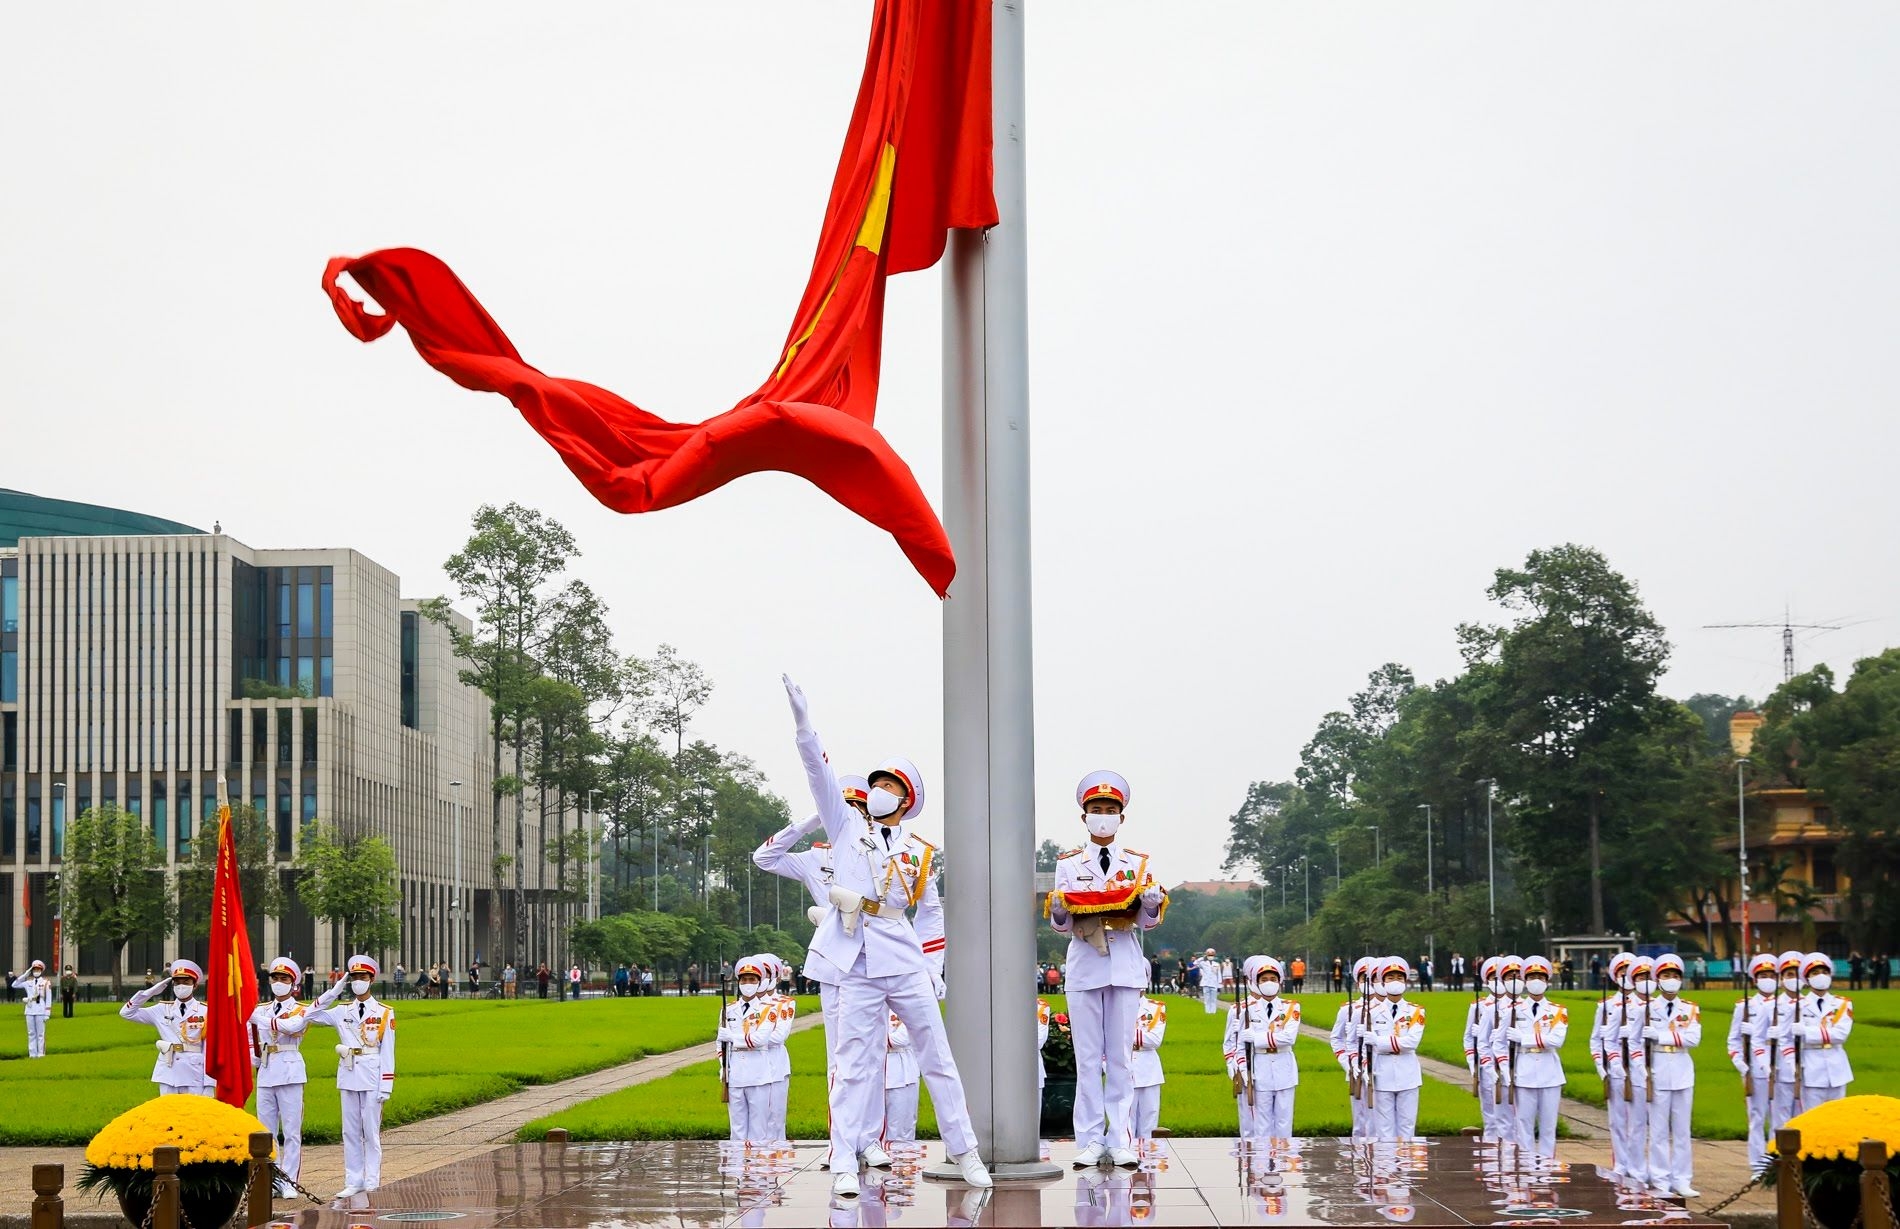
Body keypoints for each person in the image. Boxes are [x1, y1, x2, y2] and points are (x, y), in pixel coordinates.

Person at [781, 675, 991, 1196]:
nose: (876, 791)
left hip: (902, 957)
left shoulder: (921, 851)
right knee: (853, 1064)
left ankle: (964, 1152)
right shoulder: (846, 826)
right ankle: (848, 1159)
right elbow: (817, 773)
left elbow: (931, 915)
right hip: (856, 961)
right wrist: (805, 726)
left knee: (937, 1058)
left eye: (888, 786)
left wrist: (935, 970)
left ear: (905, 800)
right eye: (876, 783)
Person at [753, 773, 880, 1169]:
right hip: (836, 962)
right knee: (840, 1057)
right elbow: (764, 858)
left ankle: (871, 1140)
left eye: (859, 810)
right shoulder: (816, 858)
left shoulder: (883, 849)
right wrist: (807, 823)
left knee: (874, 1054)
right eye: (844, 810)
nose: (852, 818)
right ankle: (840, 1141)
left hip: (878, 959)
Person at [1047, 769, 1168, 1168]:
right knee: (1086, 1057)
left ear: (1121, 816)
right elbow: (1061, 922)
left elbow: (1146, 921)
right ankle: (1088, 1139)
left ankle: (1119, 1138)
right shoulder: (1068, 862)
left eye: (1110, 809)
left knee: (1119, 1058)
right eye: (1096, 809)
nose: (1104, 815)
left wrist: (1150, 902)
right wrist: (1060, 912)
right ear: (1084, 817)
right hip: (1085, 960)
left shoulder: (1136, 863)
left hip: (1124, 962)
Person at [309, 955, 398, 1199]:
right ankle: (353, 1179)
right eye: (355, 977)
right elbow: (309, 1015)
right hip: (348, 1073)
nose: (359, 981)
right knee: (349, 1131)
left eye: (363, 977)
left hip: (371, 1075)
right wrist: (332, 992)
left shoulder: (383, 1012)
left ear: (372, 979)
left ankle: (371, 1180)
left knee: (370, 1131)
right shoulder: (340, 1011)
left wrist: (386, 1085)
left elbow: (388, 1051)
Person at [1626, 953, 1699, 1198]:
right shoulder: (1646, 1008)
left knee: (1681, 1129)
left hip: (1681, 1070)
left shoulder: (1689, 1008)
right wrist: (1641, 1068)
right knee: (1657, 1130)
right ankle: (1659, 1179)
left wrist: (1661, 1036)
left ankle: (1682, 1179)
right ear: (1658, 980)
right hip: (1655, 1070)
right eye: (1666, 976)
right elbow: (1634, 1043)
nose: (1671, 980)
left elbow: (1693, 1038)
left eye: (1675, 976)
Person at [252, 956, 312, 1197]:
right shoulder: (261, 1009)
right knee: (266, 1131)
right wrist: (251, 1060)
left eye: (284, 978)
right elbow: (251, 1040)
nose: (278, 982)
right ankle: (272, 1179)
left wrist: (256, 1018)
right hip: (266, 1071)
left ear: (293, 983)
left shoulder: (301, 1010)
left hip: (289, 1070)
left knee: (291, 1130)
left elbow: (291, 1029)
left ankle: (288, 1181)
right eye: (275, 978)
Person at [1496, 955, 1566, 1157]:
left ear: (1547, 982)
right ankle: (1526, 1170)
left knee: (1548, 1127)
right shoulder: (1512, 1010)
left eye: (1541, 977)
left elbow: (1556, 1040)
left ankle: (1545, 1169)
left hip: (1550, 1073)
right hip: (1523, 1071)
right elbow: (1498, 1044)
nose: (1537, 981)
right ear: (1525, 981)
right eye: (1532, 976)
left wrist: (1524, 1038)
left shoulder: (1558, 1011)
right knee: (1523, 1126)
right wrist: (1505, 1069)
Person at [718, 956, 792, 1143]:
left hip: (760, 1072)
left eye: (752, 980)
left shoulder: (770, 1008)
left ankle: (759, 1170)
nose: (747, 984)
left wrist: (734, 1039)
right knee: (737, 1129)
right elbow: (720, 1042)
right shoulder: (729, 1009)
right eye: (744, 980)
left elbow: (761, 1039)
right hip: (735, 1073)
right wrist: (723, 1068)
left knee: (763, 1127)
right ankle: (738, 1170)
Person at [1225, 956, 1299, 1139]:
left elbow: (1288, 1037)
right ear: (1256, 983)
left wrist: (1257, 1038)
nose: (1269, 983)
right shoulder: (1246, 1009)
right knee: (1261, 1124)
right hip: (1259, 1067)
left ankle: (1283, 1163)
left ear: (1280, 982)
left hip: (1284, 1067)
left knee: (1284, 1122)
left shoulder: (1291, 1007)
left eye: (1273, 979)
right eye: (1264, 980)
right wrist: (1240, 1067)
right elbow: (1236, 1044)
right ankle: (1262, 1164)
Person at [121, 959, 215, 1095]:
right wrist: (149, 993)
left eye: (186, 982)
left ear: (195, 985)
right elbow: (126, 1013)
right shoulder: (162, 1009)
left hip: (195, 1073)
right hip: (168, 1071)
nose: (181, 986)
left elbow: (210, 1048)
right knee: (167, 1113)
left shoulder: (205, 1011)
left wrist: (209, 1084)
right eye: (177, 983)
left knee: (193, 1115)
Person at [1727, 953, 1779, 1175]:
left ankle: (1777, 1162)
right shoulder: (1744, 1006)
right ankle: (1758, 1165)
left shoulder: (1786, 1003)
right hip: (1754, 1068)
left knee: (1780, 1117)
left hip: (1780, 1065)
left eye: (1771, 975)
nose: (1767, 979)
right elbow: (1733, 1040)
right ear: (1754, 980)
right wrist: (1741, 1064)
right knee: (1757, 1117)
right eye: (1762, 975)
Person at [1367, 958, 1425, 1140]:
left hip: (1408, 1073)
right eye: (1390, 977)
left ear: (1405, 981)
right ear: (1383, 982)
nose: (1395, 982)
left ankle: (1404, 1168)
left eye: (1399, 978)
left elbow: (1412, 1042)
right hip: (1382, 1072)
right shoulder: (1371, 1011)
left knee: (1407, 1127)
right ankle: (1386, 1167)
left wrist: (1378, 1041)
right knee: (1384, 1129)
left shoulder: (1416, 1011)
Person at [1797, 951, 1853, 1107]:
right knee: (1811, 1117)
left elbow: (1841, 1035)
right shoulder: (1797, 1004)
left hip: (1837, 1069)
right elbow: (1796, 1038)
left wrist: (1808, 1032)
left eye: (1824, 972)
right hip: (1811, 1068)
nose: (1820, 976)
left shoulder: (1842, 1004)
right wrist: (1825, 1035)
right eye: (1815, 973)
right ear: (1807, 979)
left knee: (1837, 1117)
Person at [1330, 957, 1373, 1139]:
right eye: (1365, 979)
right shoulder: (1348, 1009)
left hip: (1381, 1069)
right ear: (1358, 983)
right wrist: (1348, 1064)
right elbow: (1336, 1038)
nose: (1370, 984)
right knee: (1360, 1120)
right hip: (1356, 1069)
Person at [1465, 956, 1499, 1141]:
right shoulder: (1479, 1006)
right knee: (1490, 1114)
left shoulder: (1520, 1006)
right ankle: (1491, 1154)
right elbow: (1468, 1037)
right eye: (1494, 978)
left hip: (1513, 1064)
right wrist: (1472, 1062)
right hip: (1486, 1064)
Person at [1131, 994, 1166, 1141]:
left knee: (1149, 1121)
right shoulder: (1112, 1005)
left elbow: (1155, 1040)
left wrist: (1123, 1034)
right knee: (1124, 1122)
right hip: (1122, 1066)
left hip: (1149, 1069)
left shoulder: (1156, 1007)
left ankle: (1148, 1160)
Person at [884, 1010, 920, 1144]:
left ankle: (901, 1159)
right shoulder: (869, 1003)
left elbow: (902, 1039)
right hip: (875, 1069)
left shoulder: (907, 1005)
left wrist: (873, 1036)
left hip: (904, 1072)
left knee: (902, 1127)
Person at [12, 959, 52, 1057]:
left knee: (40, 1034)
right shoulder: (28, 982)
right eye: (34, 970)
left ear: (41, 970)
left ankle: (41, 1054)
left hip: (40, 1010)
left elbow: (48, 999)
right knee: (31, 1033)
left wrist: (47, 1013)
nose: (36, 971)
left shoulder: (46, 982)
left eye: (38, 969)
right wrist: (25, 974)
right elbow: (14, 985)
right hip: (29, 1010)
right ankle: (32, 1054)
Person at [1195, 949, 1222, 1015]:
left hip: (1214, 983)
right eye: (1209, 955)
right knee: (1207, 999)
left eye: (1211, 955)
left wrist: (1219, 983)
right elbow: (1195, 963)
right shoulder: (1203, 963)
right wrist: (1203, 957)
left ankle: (1213, 1012)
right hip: (1206, 983)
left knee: (1213, 999)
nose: (1210, 956)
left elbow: (1219, 974)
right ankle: (1207, 1012)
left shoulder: (1216, 964)